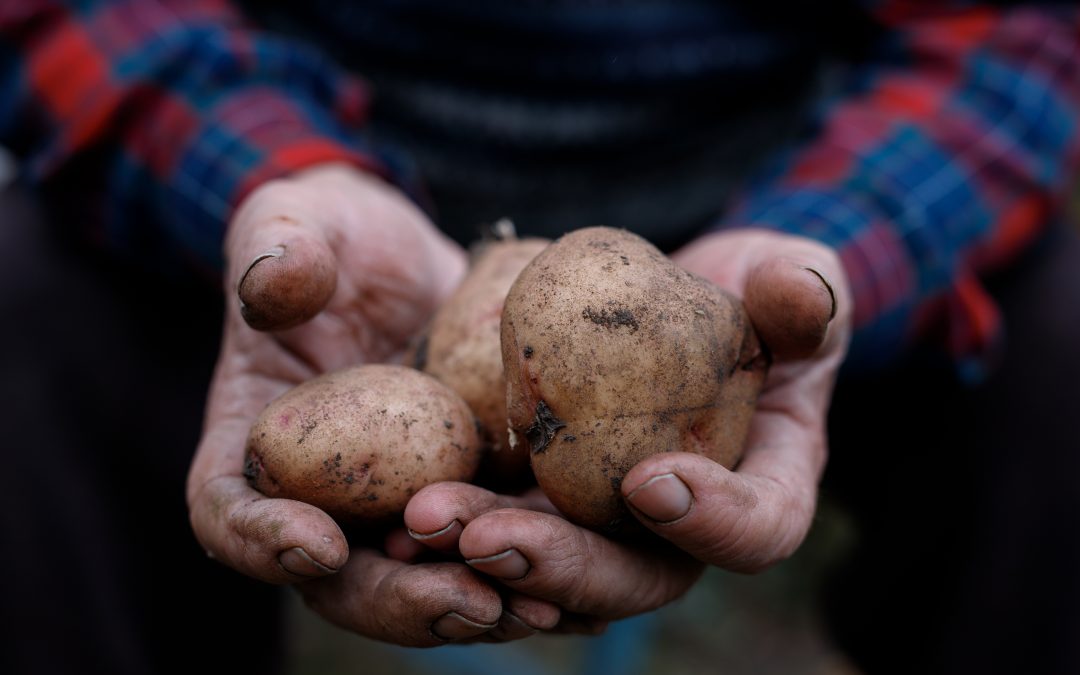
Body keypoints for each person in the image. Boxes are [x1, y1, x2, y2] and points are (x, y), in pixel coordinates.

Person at [1, 1, 1078, 673]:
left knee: (1062, 347)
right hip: (322, 199)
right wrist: (276, 180)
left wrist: (823, 246)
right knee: (25, 301)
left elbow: (1010, 42)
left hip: (756, 224)